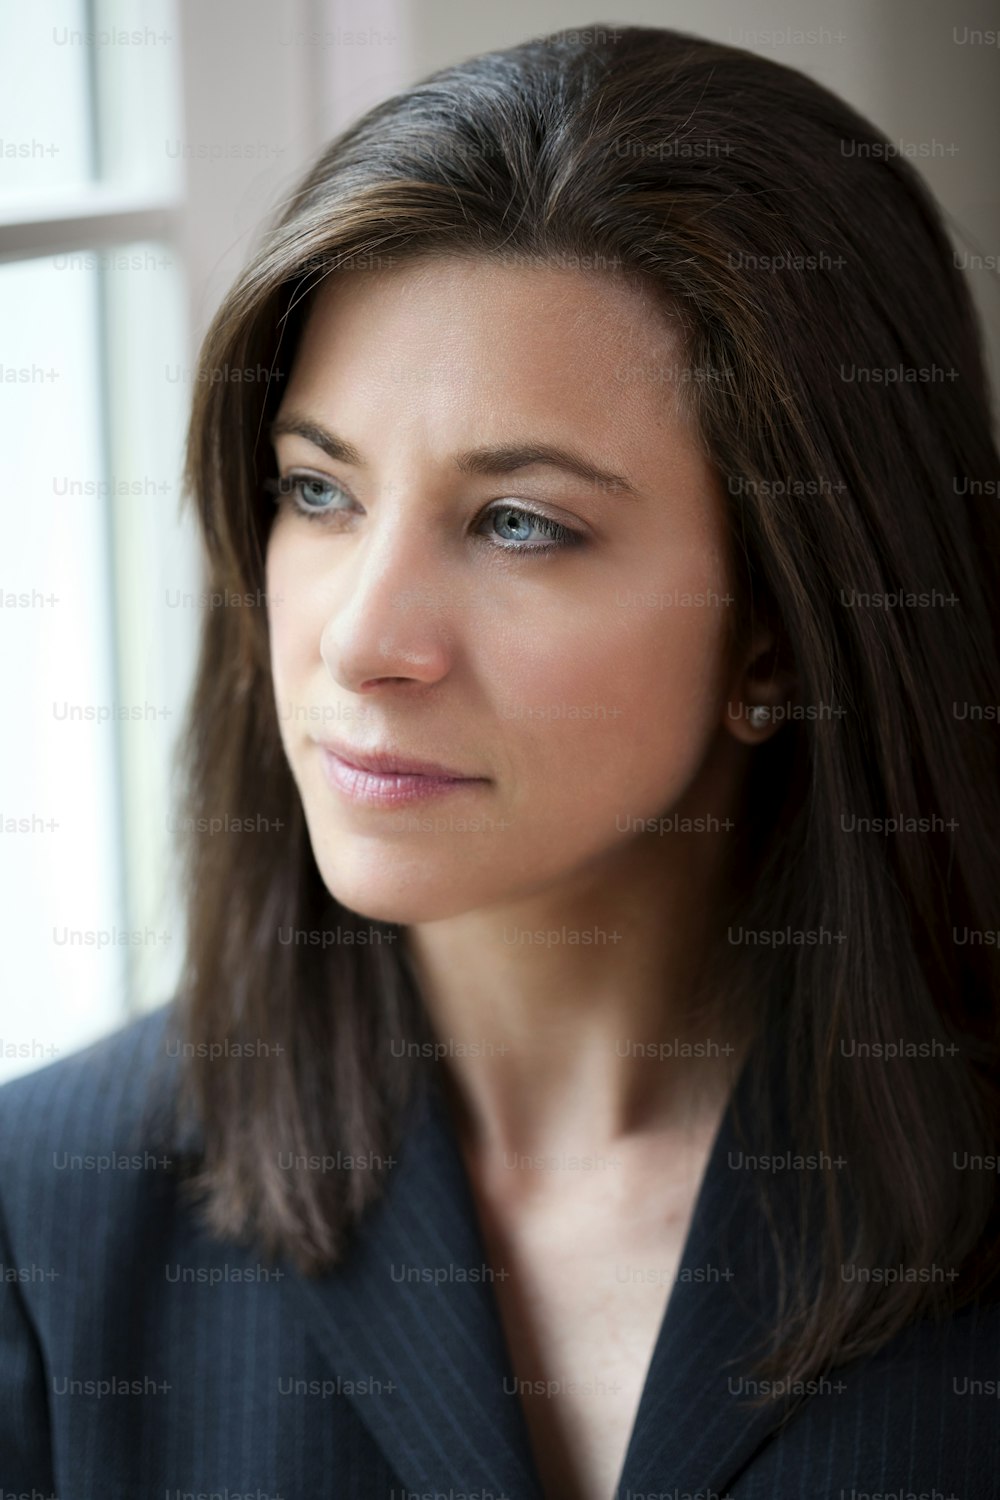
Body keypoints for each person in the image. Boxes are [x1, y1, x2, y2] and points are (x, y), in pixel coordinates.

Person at [2, 23, 999, 1500]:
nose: (359, 643)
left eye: (519, 522)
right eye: (318, 489)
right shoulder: (50, 1213)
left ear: (781, 631)